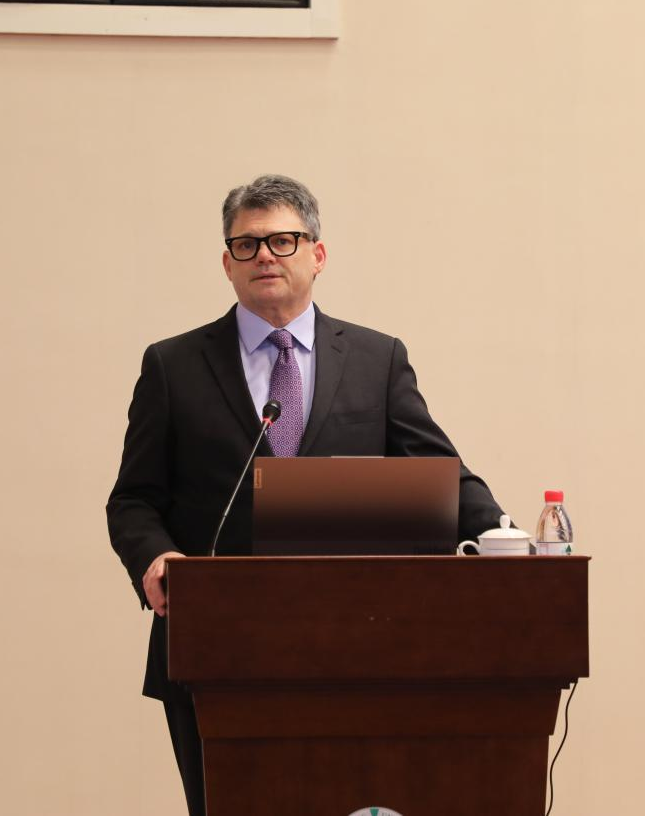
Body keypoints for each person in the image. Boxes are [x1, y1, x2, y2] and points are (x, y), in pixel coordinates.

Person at [106, 174, 504, 816]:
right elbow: (133, 499)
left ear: (317, 254)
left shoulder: (376, 359)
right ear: (227, 264)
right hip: (217, 647)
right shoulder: (173, 366)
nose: (264, 255)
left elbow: (438, 472)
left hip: (354, 644)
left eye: (282, 241)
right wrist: (156, 556)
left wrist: (503, 534)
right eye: (246, 244)